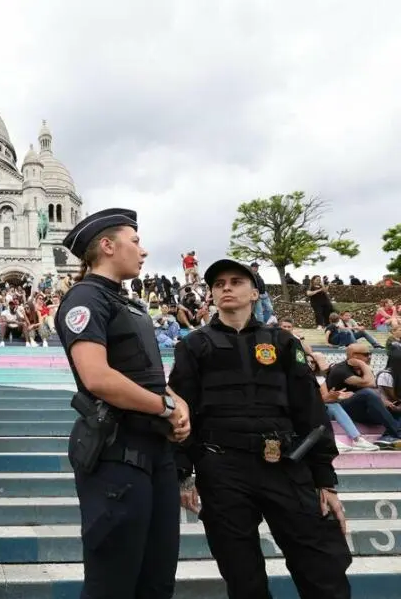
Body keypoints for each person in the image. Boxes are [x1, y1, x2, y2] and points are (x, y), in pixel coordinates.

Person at [169, 259, 351, 599]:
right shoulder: (193, 346)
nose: (226, 287)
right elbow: (182, 412)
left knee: (322, 567)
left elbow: (310, 410)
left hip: (285, 464)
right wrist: (184, 474)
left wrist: (325, 479)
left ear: (254, 292)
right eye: (218, 283)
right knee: (243, 577)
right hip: (221, 469)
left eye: (236, 281)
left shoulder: (283, 342)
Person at [54, 208, 191, 599]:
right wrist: (164, 407)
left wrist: (176, 401)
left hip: (155, 453)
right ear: (108, 246)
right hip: (117, 454)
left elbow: (146, 375)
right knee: (113, 582)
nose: (143, 251)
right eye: (135, 241)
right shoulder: (85, 298)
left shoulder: (130, 304)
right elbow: (96, 377)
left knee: (157, 578)